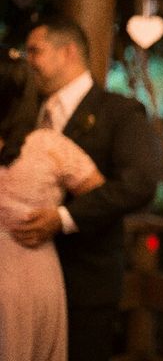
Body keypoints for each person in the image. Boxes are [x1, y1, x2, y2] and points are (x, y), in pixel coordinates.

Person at [10, 17, 163, 361]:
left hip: (86, 280)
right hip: (25, 280)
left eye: (35, 51)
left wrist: (64, 217)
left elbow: (139, 184)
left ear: (67, 52)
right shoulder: (27, 114)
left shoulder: (118, 112)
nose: (28, 60)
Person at [0, 46, 105, 361]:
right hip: (34, 273)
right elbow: (100, 195)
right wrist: (62, 216)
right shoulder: (49, 146)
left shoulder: (46, 144)